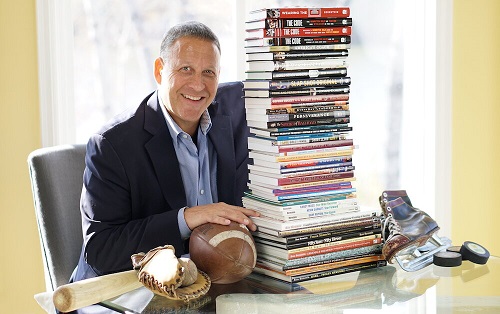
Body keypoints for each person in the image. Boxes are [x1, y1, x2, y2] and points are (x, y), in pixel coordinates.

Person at [70, 21, 259, 282]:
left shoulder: (238, 113)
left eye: (208, 72)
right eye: (185, 69)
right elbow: (102, 251)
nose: (198, 84)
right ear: (160, 70)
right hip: (125, 291)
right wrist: (187, 218)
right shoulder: (112, 144)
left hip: (215, 282)